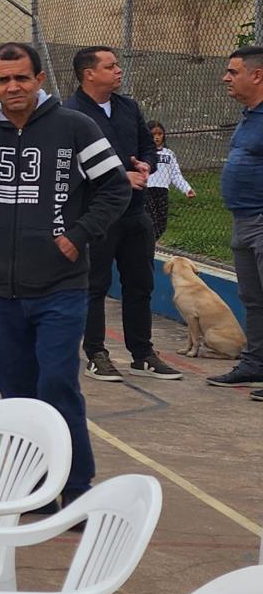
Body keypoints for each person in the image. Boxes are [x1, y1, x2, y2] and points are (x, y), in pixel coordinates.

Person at [0, 41, 130, 508]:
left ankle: (76, 489)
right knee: (16, 396)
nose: (13, 87)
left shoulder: (74, 126)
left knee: (57, 387)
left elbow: (115, 187)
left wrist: (79, 234)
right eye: (3, 80)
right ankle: (35, 491)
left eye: (21, 78)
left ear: (39, 79)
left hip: (60, 287)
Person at [63, 47, 181, 382]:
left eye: (117, 65)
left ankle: (142, 354)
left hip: (135, 212)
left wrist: (146, 165)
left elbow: (147, 146)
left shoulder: (128, 106)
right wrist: (118, 178)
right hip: (97, 216)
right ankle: (96, 354)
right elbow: (70, 165)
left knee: (140, 284)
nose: (118, 70)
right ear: (89, 74)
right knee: (95, 285)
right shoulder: (70, 114)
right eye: (110, 66)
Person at [209, 46, 263, 397]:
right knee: (253, 298)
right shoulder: (249, 115)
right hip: (243, 220)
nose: (226, 78)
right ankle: (255, 364)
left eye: (233, 72)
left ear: (257, 75)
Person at [143, 122, 193, 240]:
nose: (157, 137)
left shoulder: (169, 154)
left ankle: (151, 242)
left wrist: (186, 189)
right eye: (153, 134)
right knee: (150, 219)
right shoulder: (144, 153)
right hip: (147, 189)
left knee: (161, 223)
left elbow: (175, 174)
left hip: (162, 190)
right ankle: (147, 242)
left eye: (160, 134)